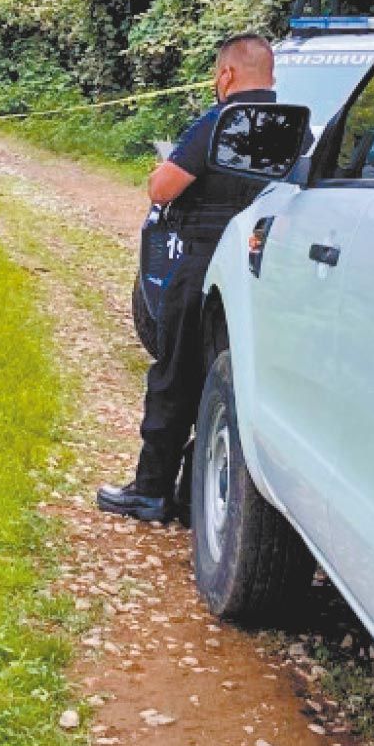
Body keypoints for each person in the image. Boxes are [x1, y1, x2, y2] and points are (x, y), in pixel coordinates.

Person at [97, 32, 278, 523]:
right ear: (272, 75)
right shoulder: (294, 128)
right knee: (227, 379)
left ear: (226, 75)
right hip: (260, 267)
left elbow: (162, 189)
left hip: (202, 261)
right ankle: (197, 494)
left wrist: (163, 167)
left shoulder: (219, 122)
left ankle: (151, 492)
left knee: (174, 377)